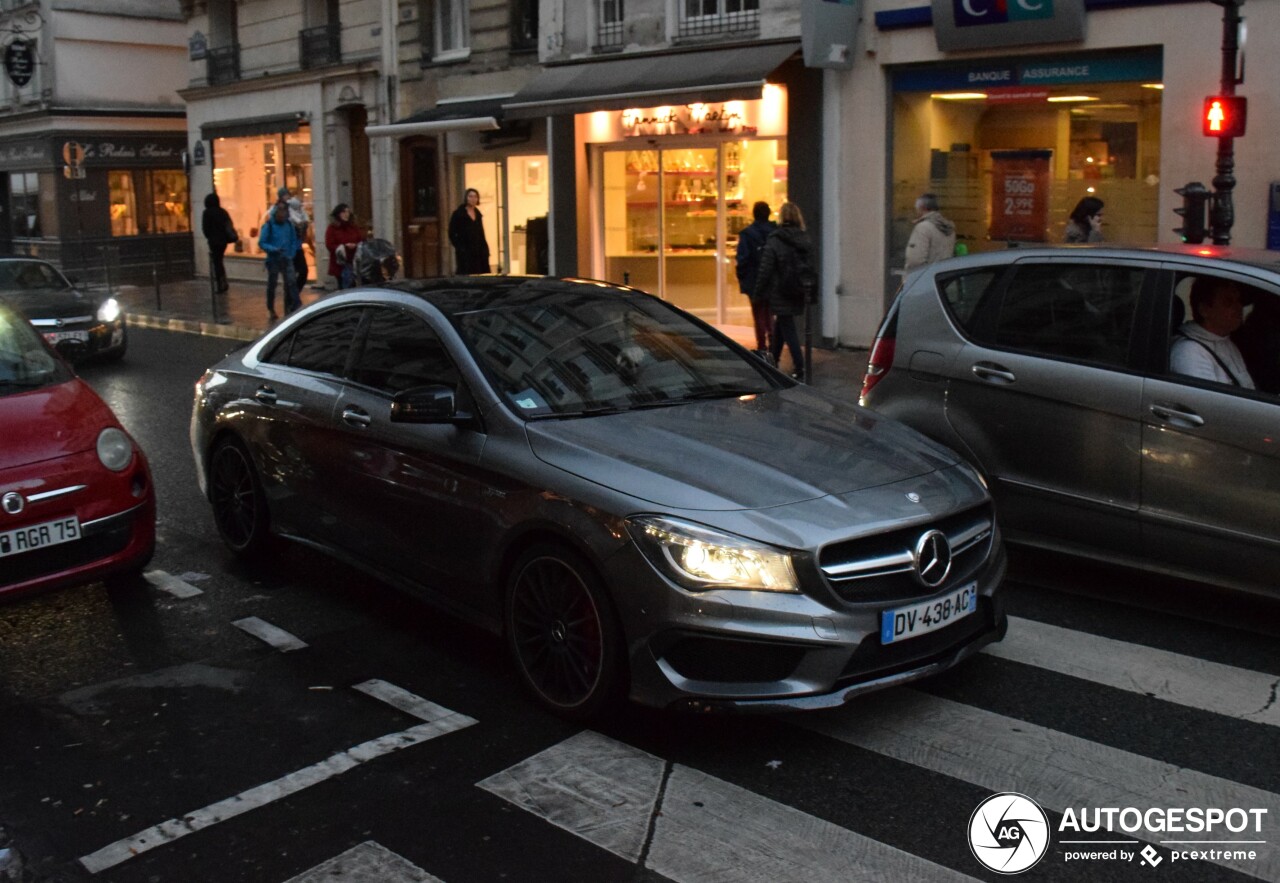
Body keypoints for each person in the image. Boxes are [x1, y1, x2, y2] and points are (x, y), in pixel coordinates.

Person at [755, 201, 815, 380]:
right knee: (781, 324)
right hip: (797, 289)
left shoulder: (775, 239)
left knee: (787, 327)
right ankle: (772, 362)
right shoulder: (804, 239)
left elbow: (766, 268)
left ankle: (799, 366)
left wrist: (758, 292)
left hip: (780, 290)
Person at [1169, 276, 1255, 388]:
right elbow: (1206, 402)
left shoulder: (1227, 341)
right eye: (1228, 302)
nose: (1238, 307)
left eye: (1238, 301)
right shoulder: (1189, 352)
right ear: (1204, 310)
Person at [735, 201, 777, 356]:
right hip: (772, 279)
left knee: (758, 314)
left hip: (754, 280)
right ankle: (773, 341)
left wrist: (742, 277)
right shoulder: (775, 232)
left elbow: (743, 259)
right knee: (769, 312)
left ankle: (761, 347)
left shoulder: (747, 234)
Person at [258, 201, 301, 319]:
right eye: (280, 211)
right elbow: (262, 242)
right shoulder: (269, 225)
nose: (283, 214)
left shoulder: (289, 225)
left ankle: (294, 306)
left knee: (291, 283)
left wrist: (291, 253)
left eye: (285, 211)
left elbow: (293, 240)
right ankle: (271, 308)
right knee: (273, 284)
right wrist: (273, 249)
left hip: (287, 258)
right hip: (274, 259)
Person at [904, 193, 956, 271]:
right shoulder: (949, 228)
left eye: (916, 207)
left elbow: (915, 260)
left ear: (922, 208)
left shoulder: (923, 227)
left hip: (925, 277)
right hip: (944, 276)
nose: (915, 210)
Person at [448, 187, 490, 274]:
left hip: (478, 248)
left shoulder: (478, 214)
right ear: (466, 198)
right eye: (470, 196)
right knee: (466, 271)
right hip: (465, 249)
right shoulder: (458, 214)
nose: (473, 199)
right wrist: (459, 247)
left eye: (475, 197)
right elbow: (451, 232)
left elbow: (481, 232)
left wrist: (485, 248)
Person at [325, 203, 364, 290]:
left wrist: (356, 245)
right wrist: (342, 247)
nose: (346, 214)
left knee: (353, 286)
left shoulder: (353, 227)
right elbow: (329, 244)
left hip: (354, 261)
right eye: (343, 212)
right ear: (338, 214)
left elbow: (361, 240)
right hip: (340, 263)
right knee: (344, 286)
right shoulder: (332, 228)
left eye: (348, 212)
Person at [201, 193, 235, 293]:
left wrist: (210, 237)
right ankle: (223, 281)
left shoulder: (207, 213)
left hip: (214, 241)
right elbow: (229, 224)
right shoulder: (222, 212)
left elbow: (205, 229)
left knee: (217, 262)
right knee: (219, 261)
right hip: (223, 241)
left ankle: (221, 283)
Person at [287, 196, 313, 289]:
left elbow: (303, 232)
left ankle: (294, 295)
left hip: (298, 248)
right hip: (289, 250)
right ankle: (292, 298)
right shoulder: (288, 217)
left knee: (303, 272)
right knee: (290, 276)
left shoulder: (302, 215)